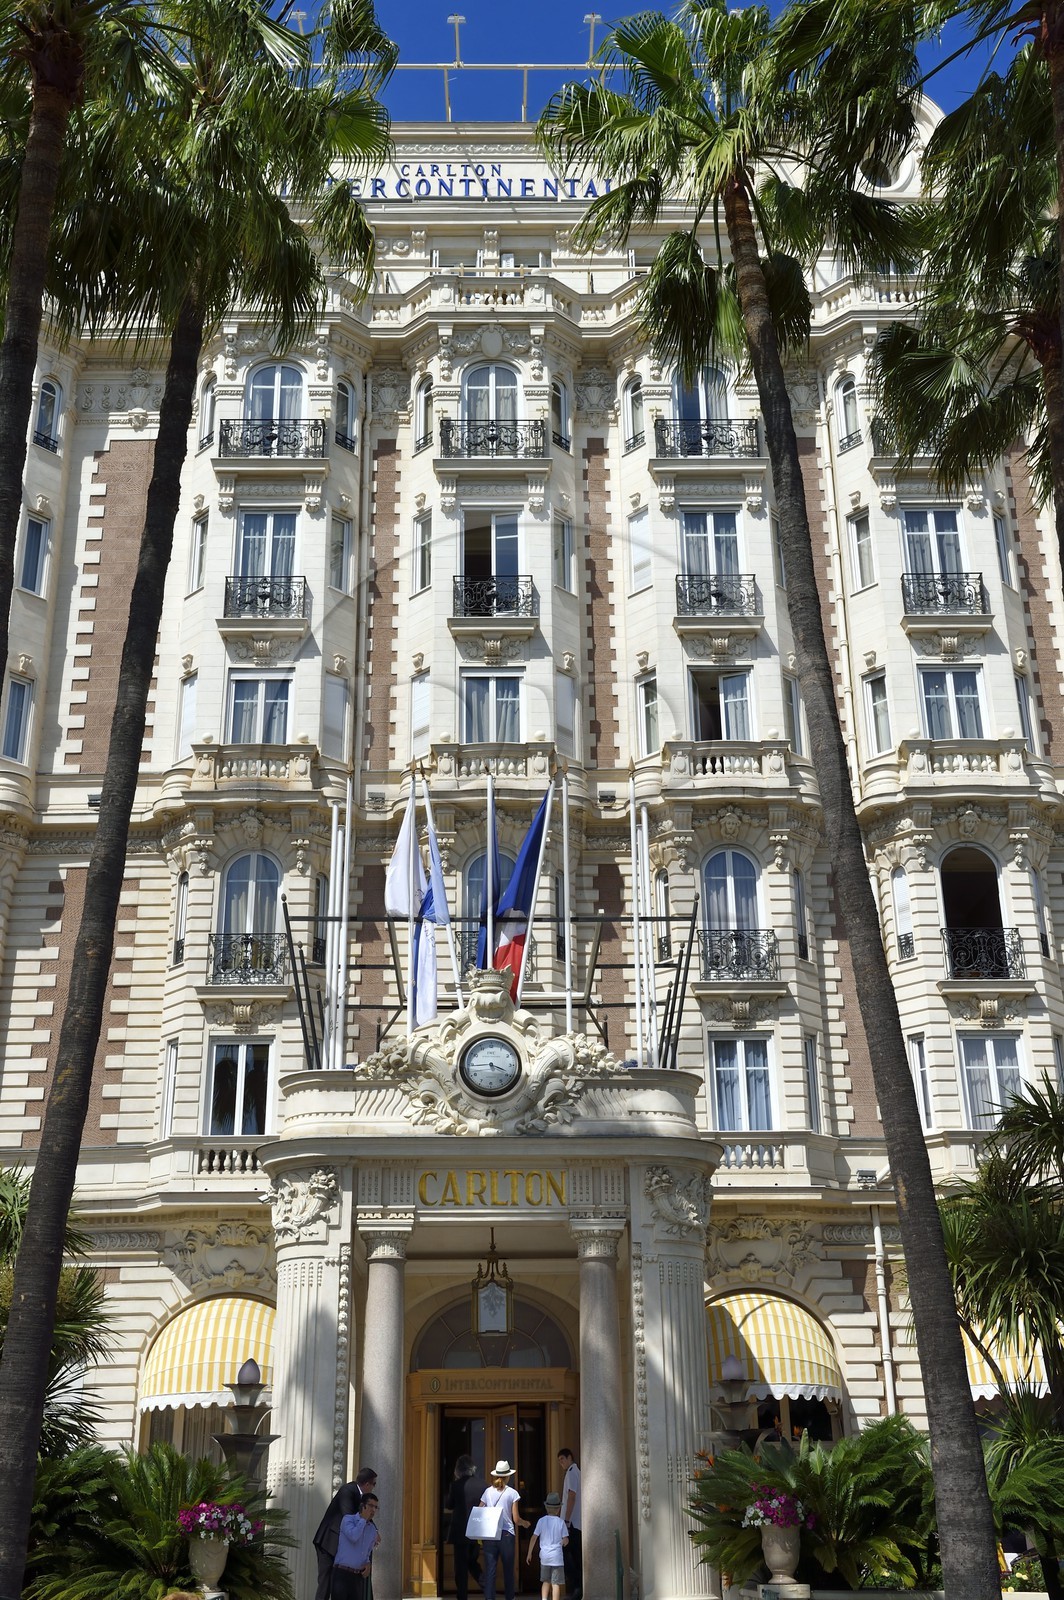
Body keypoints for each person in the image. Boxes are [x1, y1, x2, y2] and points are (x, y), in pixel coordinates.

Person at [313, 1468, 378, 1600]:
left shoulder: (359, 1496)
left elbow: (364, 1516)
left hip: (342, 1547)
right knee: (325, 1584)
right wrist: (372, 1529)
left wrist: (374, 1530)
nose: (373, 1488)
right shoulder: (348, 1491)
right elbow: (349, 1516)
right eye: (374, 1484)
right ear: (367, 1484)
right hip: (328, 1542)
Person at [478, 1459, 529, 1600]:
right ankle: (509, 1598)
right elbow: (516, 1519)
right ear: (508, 1476)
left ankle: (489, 1598)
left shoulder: (487, 1492)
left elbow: (480, 1510)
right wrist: (525, 1524)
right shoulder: (512, 1493)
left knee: (490, 1570)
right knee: (508, 1570)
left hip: (489, 1534)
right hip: (506, 1534)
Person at [447, 1452, 487, 1600]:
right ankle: (486, 1587)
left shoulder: (455, 1485)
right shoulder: (483, 1484)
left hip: (460, 1532)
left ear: (458, 1469)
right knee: (472, 1562)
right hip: (477, 1531)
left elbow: (449, 1505)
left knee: (461, 1567)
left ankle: (462, 1596)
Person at [332, 1491, 380, 1600]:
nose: (373, 1510)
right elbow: (354, 1536)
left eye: (376, 1507)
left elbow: (367, 1552)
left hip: (357, 1577)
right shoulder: (348, 1520)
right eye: (371, 1506)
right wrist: (363, 1519)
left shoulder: (372, 1529)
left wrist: (368, 1564)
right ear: (363, 1506)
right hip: (342, 1574)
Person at [526, 1491, 569, 1600]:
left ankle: (544, 1599)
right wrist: (564, 1543)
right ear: (558, 1509)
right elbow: (565, 1539)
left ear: (546, 1508)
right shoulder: (561, 1522)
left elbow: (534, 1537)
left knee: (545, 1581)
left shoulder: (541, 1521)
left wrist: (529, 1553)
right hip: (557, 1557)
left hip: (544, 1557)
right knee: (555, 1583)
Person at [557, 1449, 582, 1600]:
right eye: (559, 1460)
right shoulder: (574, 1472)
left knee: (565, 1554)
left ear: (569, 1457)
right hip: (574, 1523)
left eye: (562, 1459)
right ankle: (578, 1588)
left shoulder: (572, 1472)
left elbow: (571, 1497)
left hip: (571, 1523)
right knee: (575, 1556)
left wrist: (566, 1521)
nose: (561, 1463)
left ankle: (578, 1585)